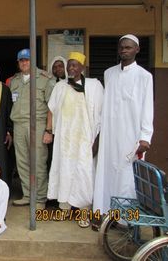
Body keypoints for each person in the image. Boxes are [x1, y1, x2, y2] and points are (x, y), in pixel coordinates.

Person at [93, 34, 154, 218]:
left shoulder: (145, 76)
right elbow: (106, 106)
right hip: (110, 134)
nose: (124, 51)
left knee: (127, 177)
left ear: (137, 50)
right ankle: (104, 213)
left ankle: (126, 220)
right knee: (106, 173)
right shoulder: (109, 73)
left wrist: (145, 136)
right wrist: (99, 133)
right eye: (121, 47)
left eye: (128, 47)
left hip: (131, 135)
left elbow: (147, 108)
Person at [47, 52, 104, 228]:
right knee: (64, 170)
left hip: (84, 139)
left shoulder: (94, 86)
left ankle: (84, 211)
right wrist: (49, 130)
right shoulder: (60, 87)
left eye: (75, 65)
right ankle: (64, 207)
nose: (71, 68)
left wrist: (97, 140)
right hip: (65, 139)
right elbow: (51, 110)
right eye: (69, 65)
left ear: (82, 68)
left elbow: (102, 117)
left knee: (84, 173)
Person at [10, 48, 53, 209]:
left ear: (32, 60)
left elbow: (51, 107)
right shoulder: (14, 81)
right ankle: (28, 195)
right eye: (21, 60)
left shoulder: (44, 79)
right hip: (19, 125)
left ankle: (40, 198)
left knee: (38, 162)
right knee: (22, 162)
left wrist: (48, 130)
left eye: (27, 60)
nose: (24, 63)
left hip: (38, 125)